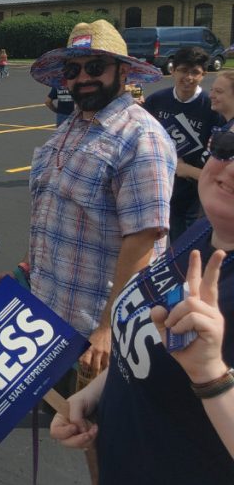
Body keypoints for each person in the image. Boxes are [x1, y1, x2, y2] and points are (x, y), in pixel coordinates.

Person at [50, 127, 234, 483]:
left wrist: (209, 373)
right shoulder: (201, 234)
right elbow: (145, 346)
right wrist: (92, 396)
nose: (230, 169)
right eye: (227, 147)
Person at [24, 20, 175, 388]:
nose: (82, 78)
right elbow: (59, 212)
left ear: (123, 71)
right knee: (68, 422)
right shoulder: (71, 127)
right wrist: (27, 273)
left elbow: (144, 239)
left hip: (97, 325)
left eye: (95, 67)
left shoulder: (141, 136)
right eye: (73, 70)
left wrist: (109, 327)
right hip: (52, 313)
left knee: (100, 435)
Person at [142, 46, 224, 240]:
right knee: (172, 237)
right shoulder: (157, 100)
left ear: (203, 75)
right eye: (183, 70)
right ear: (172, 70)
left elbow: (217, 149)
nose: (188, 77)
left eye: (195, 72)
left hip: (196, 188)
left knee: (192, 241)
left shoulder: (210, 106)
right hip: (164, 183)